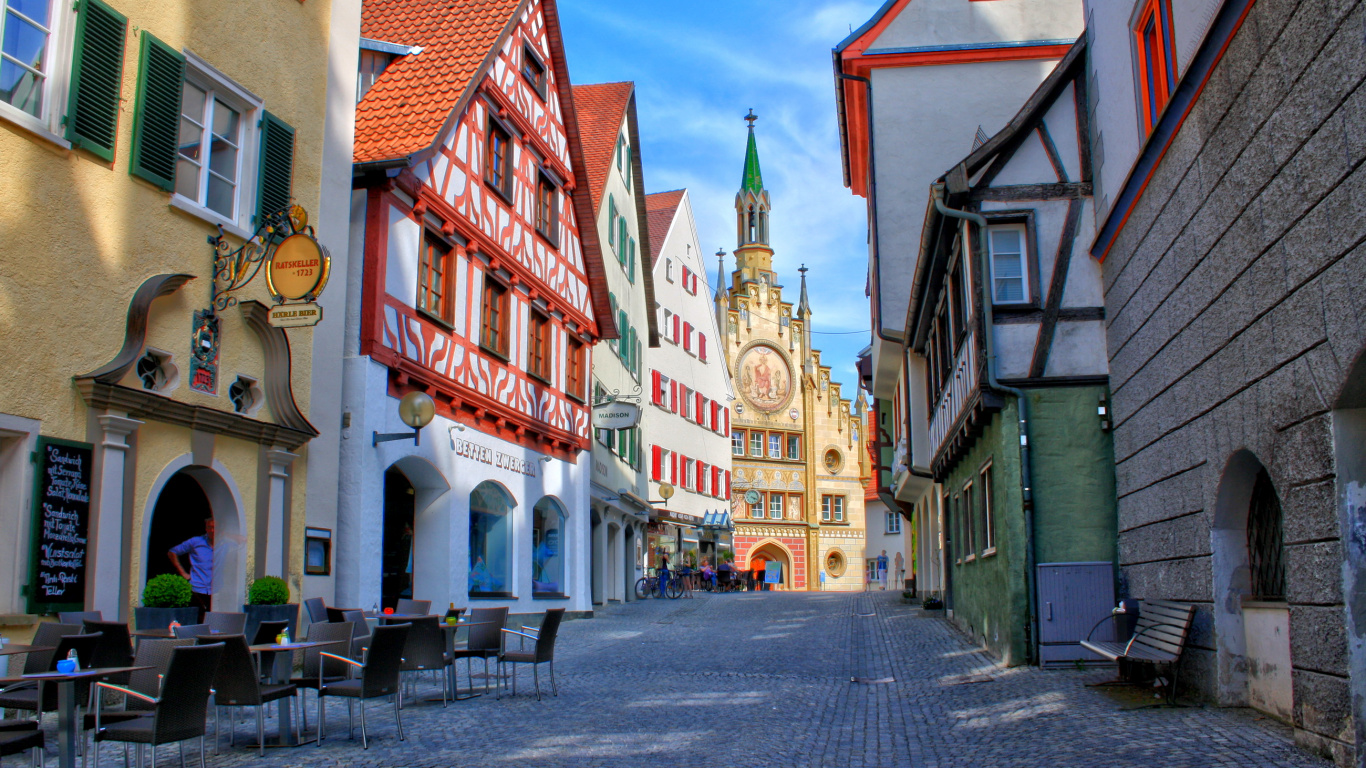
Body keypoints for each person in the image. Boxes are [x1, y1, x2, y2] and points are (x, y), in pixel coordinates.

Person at [169, 519, 215, 620]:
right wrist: (182, 572)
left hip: (217, 591)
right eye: (209, 527)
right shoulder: (196, 542)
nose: (211, 530)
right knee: (198, 620)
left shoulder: (224, 543)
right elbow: (173, 552)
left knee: (214, 623)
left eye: (214, 527)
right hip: (197, 589)